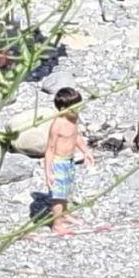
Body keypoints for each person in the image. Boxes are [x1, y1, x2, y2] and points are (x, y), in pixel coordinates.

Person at [43, 86, 93, 235]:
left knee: (66, 191)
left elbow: (75, 136)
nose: (77, 110)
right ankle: (56, 224)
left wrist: (85, 151)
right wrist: (48, 172)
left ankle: (64, 214)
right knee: (58, 196)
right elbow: (50, 149)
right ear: (63, 108)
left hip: (69, 161)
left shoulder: (73, 118)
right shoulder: (57, 124)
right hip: (58, 162)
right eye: (74, 107)